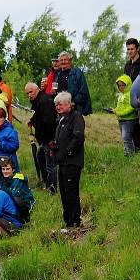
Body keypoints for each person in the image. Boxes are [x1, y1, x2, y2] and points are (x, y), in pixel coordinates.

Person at [53, 92, 85, 232]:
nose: (57, 107)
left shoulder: (76, 117)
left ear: (68, 104)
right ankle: (68, 221)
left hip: (72, 162)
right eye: (56, 105)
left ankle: (75, 222)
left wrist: (68, 152)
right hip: (62, 162)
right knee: (64, 192)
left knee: (71, 192)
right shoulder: (61, 119)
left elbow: (78, 137)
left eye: (60, 104)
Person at [25, 82, 57, 192]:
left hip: (49, 138)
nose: (29, 95)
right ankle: (46, 182)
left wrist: (44, 136)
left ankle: (52, 188)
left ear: (37, 89)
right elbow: (39, 115)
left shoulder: (45, 101)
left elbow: (48, 121)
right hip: (44, 139)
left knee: (50, 164)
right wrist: (33, 120)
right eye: (27, 93)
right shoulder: (39, 101)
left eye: (31, 92)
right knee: (40, 157)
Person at [0, 156, 35, 224]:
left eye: (8, 169)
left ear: (13, 170)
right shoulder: (3, 180)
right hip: (13, 204)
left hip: (25, 204)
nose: (5, 171)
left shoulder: (18, 179)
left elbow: (13, 196)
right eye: (3, 169)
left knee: (13, 198)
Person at [57, 51, 92, 116]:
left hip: (75, 109)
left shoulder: (77, 72)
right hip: (61, 110)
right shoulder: (58, 74)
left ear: (70, 61)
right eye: (61, 60)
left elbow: (83, 91)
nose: (63, 62)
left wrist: (72, 103)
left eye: (65, 60)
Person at [114, 75, 138, 156]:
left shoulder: (130, 94)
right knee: (124, 137)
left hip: (129, 119)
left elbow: (132, 107)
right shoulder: (121, 95)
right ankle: (127, 152)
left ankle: (129, 154)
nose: (121, 87)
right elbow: (118, 106)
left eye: (123, 85)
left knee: (126, 137)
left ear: (127, 85)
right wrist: (115, 110)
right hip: (121, 119)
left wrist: (121, 113)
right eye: (119, 85)